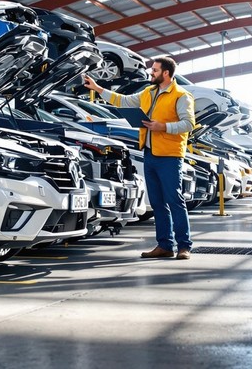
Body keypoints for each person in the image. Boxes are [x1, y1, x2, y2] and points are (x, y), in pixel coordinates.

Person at [82, 56, 195, 260]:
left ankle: (184, 246)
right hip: (150, 154)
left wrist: (164, 127)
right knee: (158, 203)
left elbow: (188, 124)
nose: (151, 73)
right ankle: (165, 245)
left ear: (166, 73)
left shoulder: (181, 95)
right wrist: (97, 88)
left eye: (155, 70)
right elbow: (122, 101)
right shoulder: (148, 92)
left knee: (174, 201)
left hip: (170, 156)